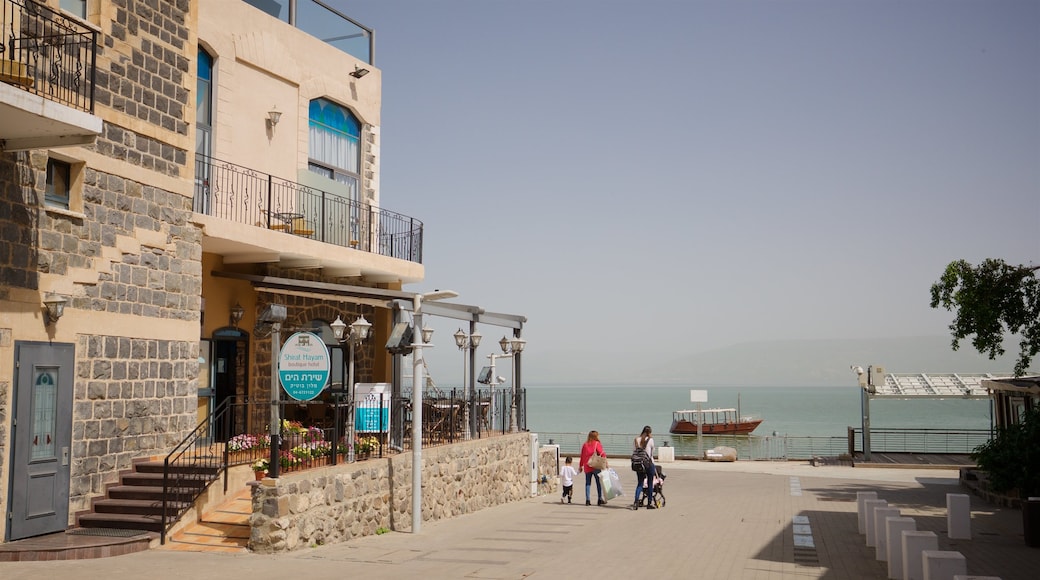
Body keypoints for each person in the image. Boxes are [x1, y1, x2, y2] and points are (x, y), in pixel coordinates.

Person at [578, 430, 606, 506]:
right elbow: (602, 453)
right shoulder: (597, 444)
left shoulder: (585, 445)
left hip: (587, 466)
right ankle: (599, 499)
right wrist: (606, 463)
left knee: (588, 483)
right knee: (598, 483)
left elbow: (582, 456)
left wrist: (580, 466)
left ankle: (587, 500)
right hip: (595, 466)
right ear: (596, 436)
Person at [632, 425, 656, 509]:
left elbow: (634, 451)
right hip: (648, 463)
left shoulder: (636, 440)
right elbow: (652, 453)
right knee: (650, 483)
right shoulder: (651, 440)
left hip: (639, 464)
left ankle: (636, 502)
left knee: (640, 483)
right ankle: (649, 503)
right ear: (649, 433)